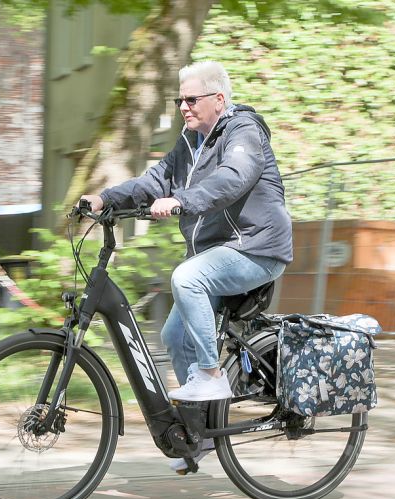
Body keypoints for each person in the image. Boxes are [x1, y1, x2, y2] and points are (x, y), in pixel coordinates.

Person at [81, 60, 293, 408]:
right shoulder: (190, 144)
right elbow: (154, 181)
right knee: (175, 338)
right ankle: (198, 434)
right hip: (217, 253)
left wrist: (180, 200)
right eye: (180, 100)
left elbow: (232, 178)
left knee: (187, 278)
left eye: (191, 100)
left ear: (219, 100)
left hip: (256, 249)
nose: (183, 107)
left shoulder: (244, 132)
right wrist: (105, 199)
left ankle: (210, 376)